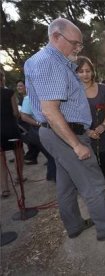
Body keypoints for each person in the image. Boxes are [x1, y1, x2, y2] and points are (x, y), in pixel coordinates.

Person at [24, 18, 105, 241]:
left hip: (57, 133)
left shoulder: (50, 61)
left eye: (80, 45)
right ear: (55, 37)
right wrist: (76, 144)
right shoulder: (49, 62)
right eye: (75, 43)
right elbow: (51, 111)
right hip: (64, 134)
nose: (78, 49)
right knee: (93, 183)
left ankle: (74, 226)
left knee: (66, 185)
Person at [76, 56, 105, 196]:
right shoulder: (73, 92)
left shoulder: (103, 89)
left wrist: (104, 125)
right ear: (75, 73)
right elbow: (72, 117)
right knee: (86, 164)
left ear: (93, 72)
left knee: (103, 161)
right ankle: (91, 190)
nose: (85, 74)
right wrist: (87, 131)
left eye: (88, 70)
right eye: (80, 71)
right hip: (82, 135)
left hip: (102, 133)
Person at [20, 95, 57, 181]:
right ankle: (54, 177)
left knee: (52, 155)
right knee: (52, 154)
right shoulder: (29, 98)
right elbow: (24, 116)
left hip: (49, 128)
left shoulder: (48, 94)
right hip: (38, 130)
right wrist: (39, 123)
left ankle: (52, 175)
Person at [1, 69, 24, 198]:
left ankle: (5, 189)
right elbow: (16, 113)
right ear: (2, 78)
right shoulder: (9, 93)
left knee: (1, 161)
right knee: (19, 153)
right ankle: (19, 178)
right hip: (11, 128)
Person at [16, 80, 41, 165]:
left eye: (21, 85)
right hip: (24, 123)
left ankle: (31, 156)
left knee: (32, 140)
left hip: (31, 122)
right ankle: (31, 156)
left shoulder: (29, 97)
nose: (19, 87)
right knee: (31, 140)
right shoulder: (21, 97)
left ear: (26, 86)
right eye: (18, 86)